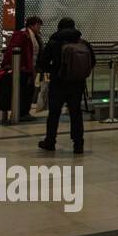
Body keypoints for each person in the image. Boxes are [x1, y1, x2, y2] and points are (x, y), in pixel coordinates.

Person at [38, 17, 96, 154]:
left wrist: (54, 70)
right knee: (76, 114)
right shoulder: (83, 43)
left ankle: (50, 142)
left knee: (54, 114)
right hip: (77, 84)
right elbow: (92, 62)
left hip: (58, 84)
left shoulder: (54, 42)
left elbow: (42, 64)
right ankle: (78, 145)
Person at [0, 15, 42, 121]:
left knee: (29, 90)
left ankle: (24, 111)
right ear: (32, 25)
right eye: (38, 25)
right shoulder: (23, 34)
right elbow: (14, 49)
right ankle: (21, 112)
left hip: (31, 66)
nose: (39, 28)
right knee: (24, 90)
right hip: (23, 67)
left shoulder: (34, 35)